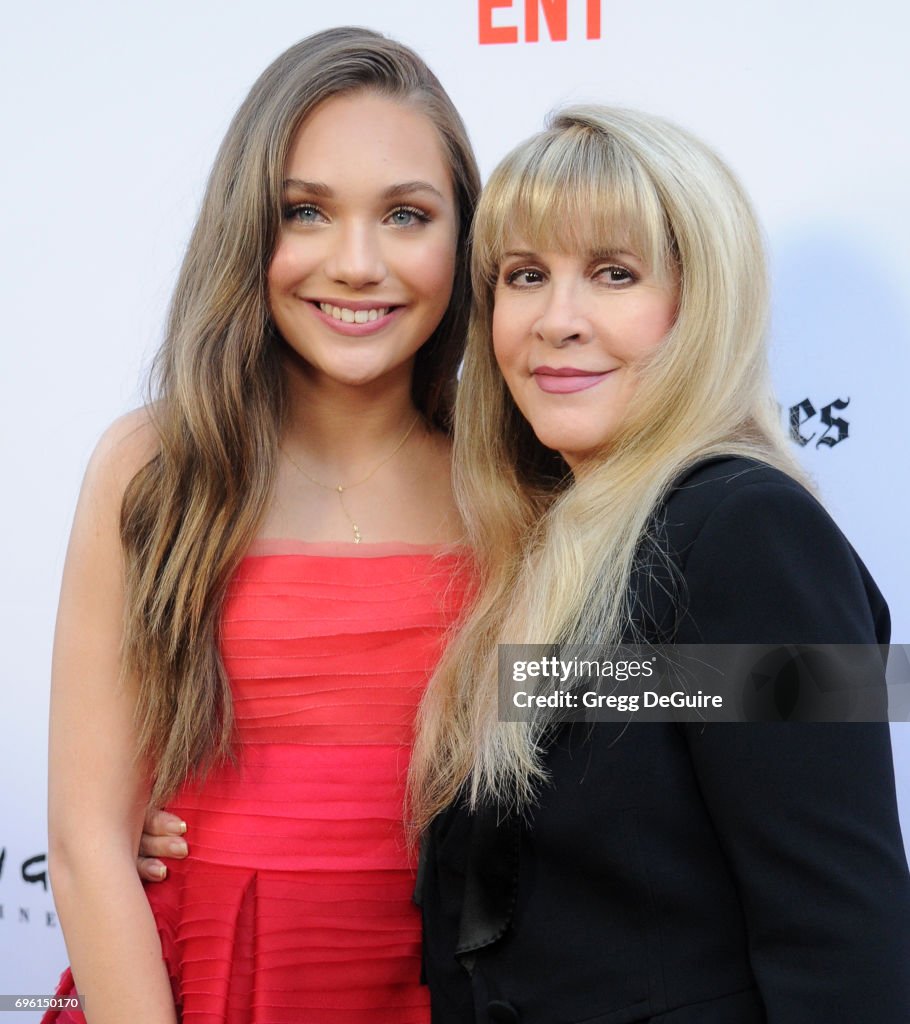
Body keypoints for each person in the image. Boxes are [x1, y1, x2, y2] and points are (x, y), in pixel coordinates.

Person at [407, 106, 910, 1023]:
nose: (557, 321)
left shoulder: (752, 536)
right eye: (525, 276)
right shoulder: (550, 553)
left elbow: (842, 941)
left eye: (613, 274)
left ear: (700, 302)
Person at [45, 27, 479, 1024]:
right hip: (196, 987)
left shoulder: (512, 483)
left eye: (406, 214)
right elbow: (84, 841)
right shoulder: (155, 467)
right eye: (306, 212)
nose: (357, 263)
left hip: (448, 987)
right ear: (248, 228)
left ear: (465, 237)